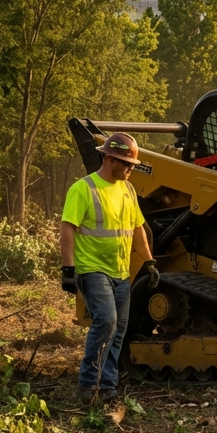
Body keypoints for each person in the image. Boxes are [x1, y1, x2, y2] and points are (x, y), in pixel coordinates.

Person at [59, 132, 158, 402]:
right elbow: (68, 228)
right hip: (92, 269)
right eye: (126, 164)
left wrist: (148, 261)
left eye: (132, 165)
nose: (130, 170)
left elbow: (137, 228)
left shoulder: (127, 190)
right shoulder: (83, 188)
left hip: (120, 272)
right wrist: (68, 269)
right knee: (107, 321)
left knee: (119, 329)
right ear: (109, 159)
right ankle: (88, 385)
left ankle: (108, 386)